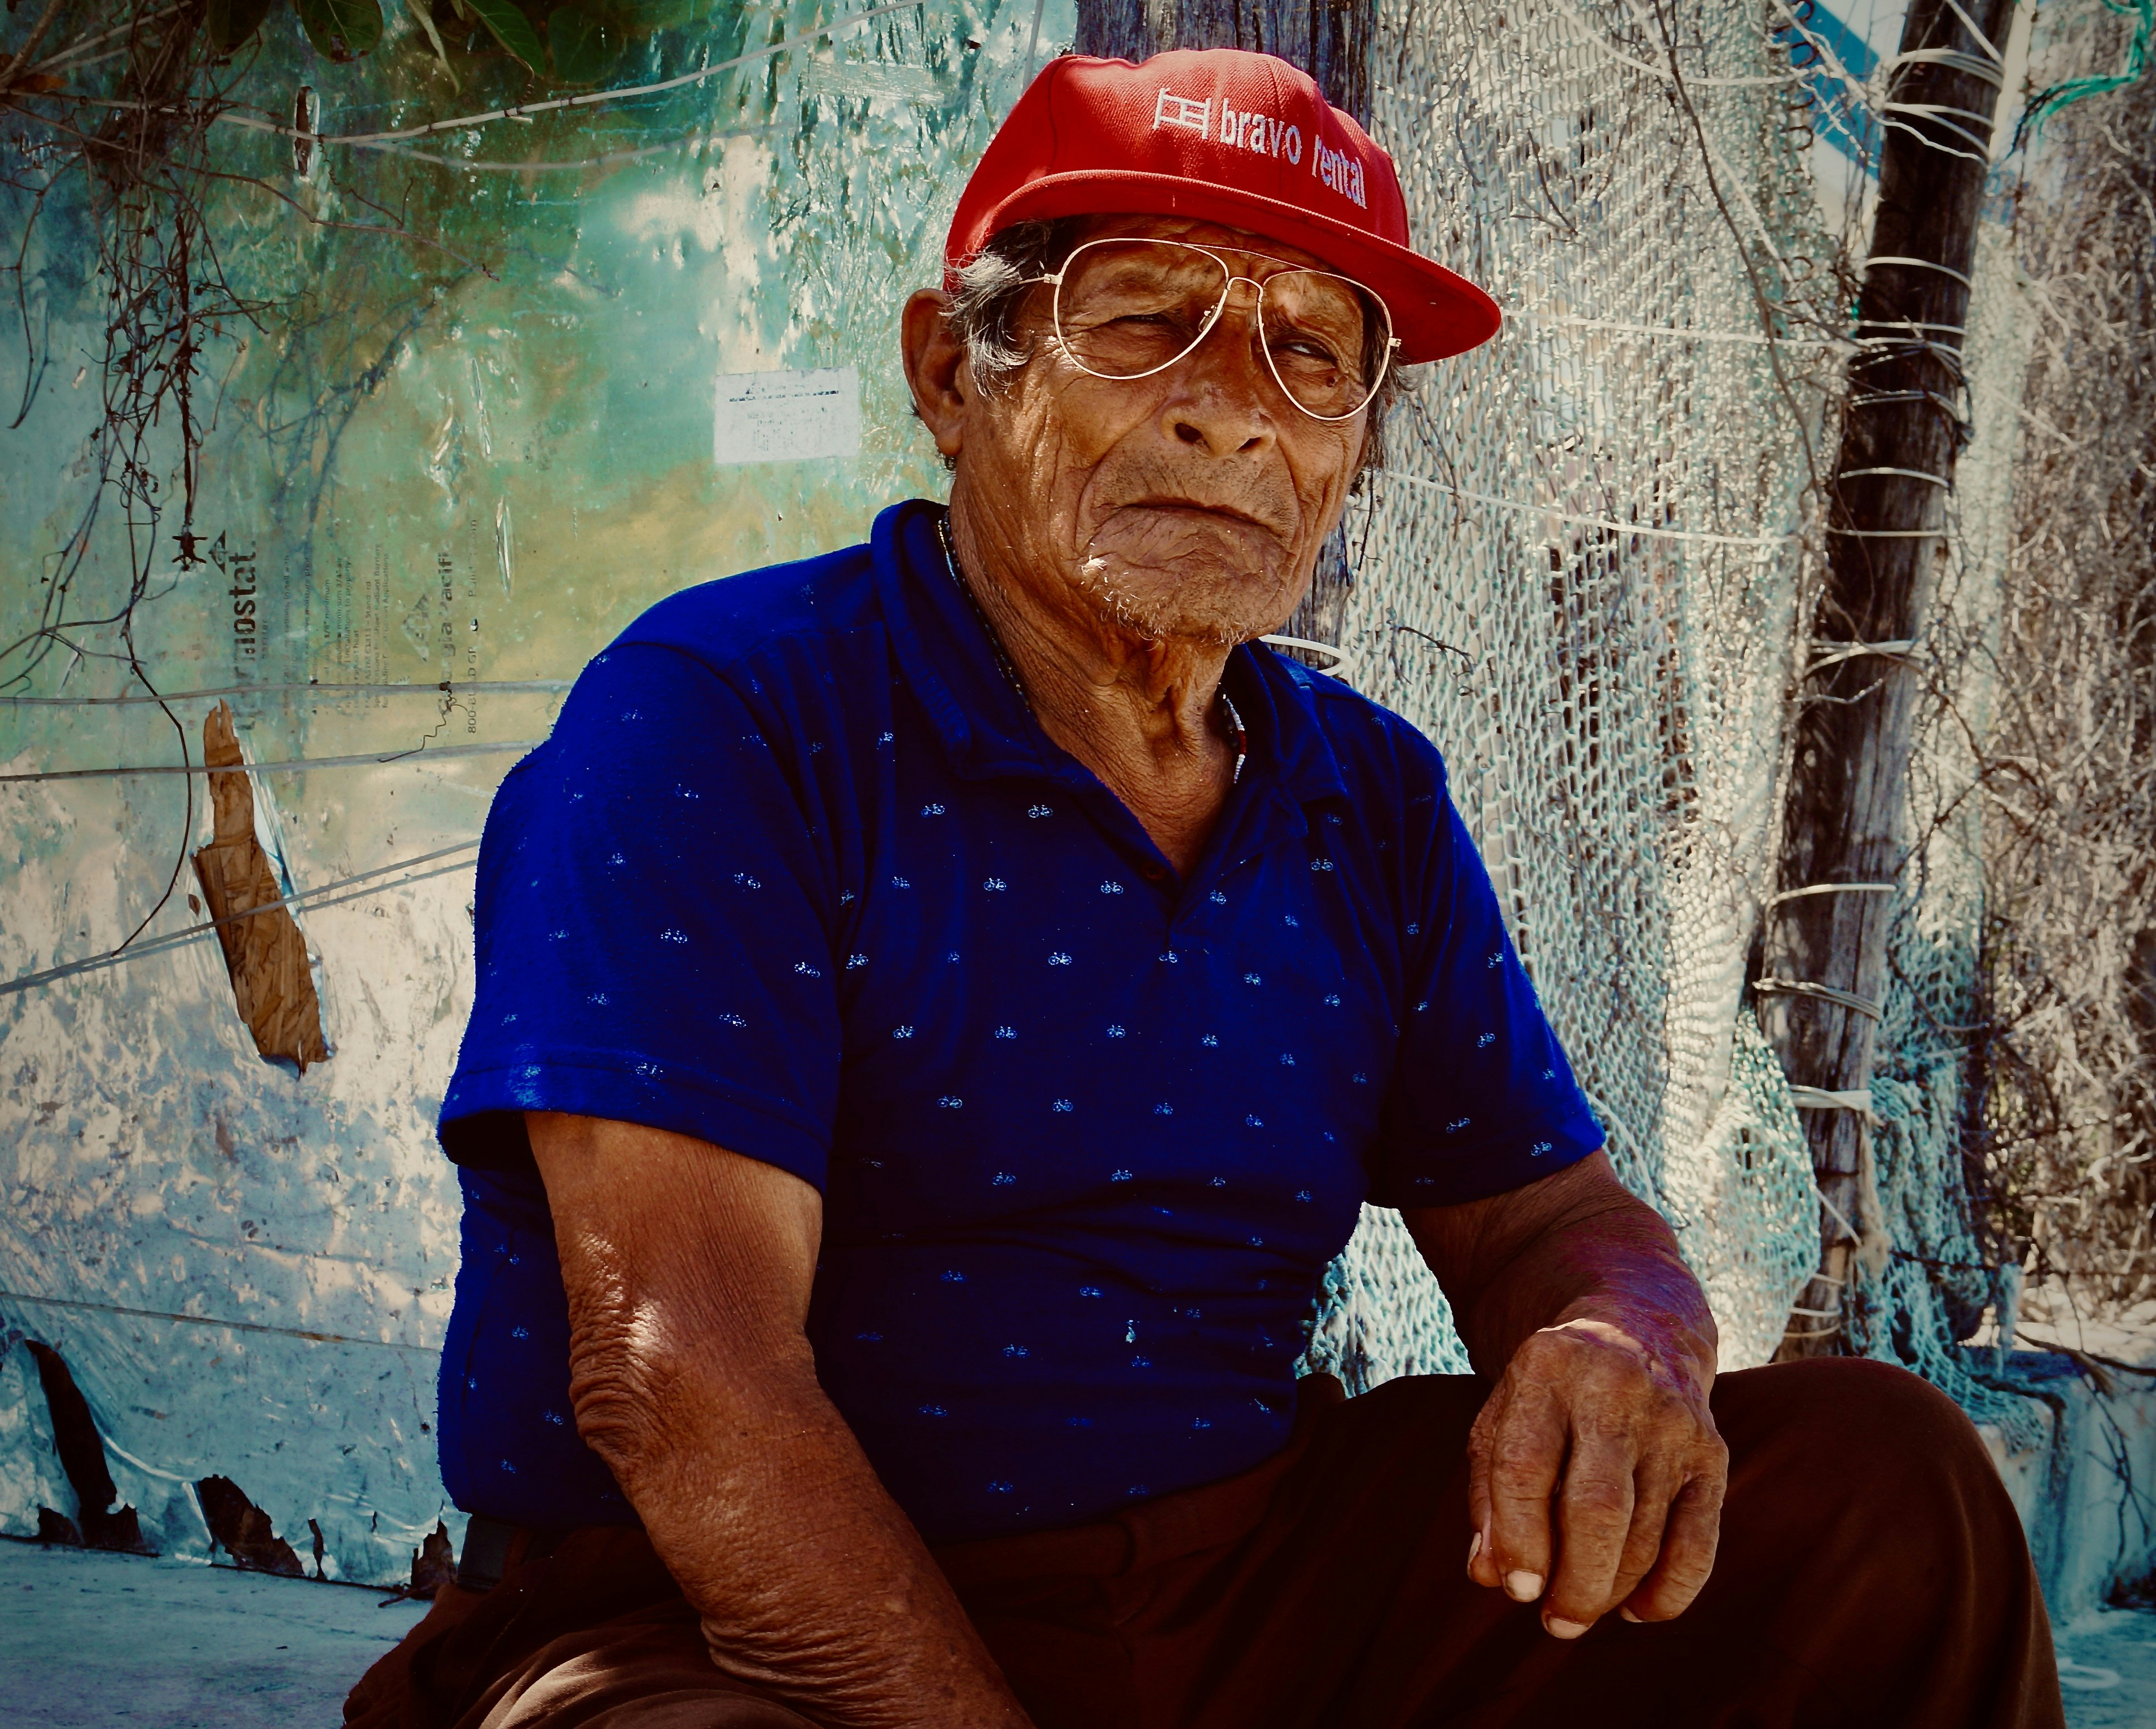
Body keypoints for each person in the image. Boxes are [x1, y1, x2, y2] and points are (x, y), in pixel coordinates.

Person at [347, 47, 2063, 1729]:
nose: (1231, 404)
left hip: (1242, 1588)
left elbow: (1553, 1223)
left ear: (1351, 457)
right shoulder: (726, 717)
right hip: (717, 1612)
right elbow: (686, 1384)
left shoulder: (1361, 795)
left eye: (1311, 351)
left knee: (1880, 1494)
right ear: (952, 372)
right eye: (1146, 316)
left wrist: (1629, 1344)